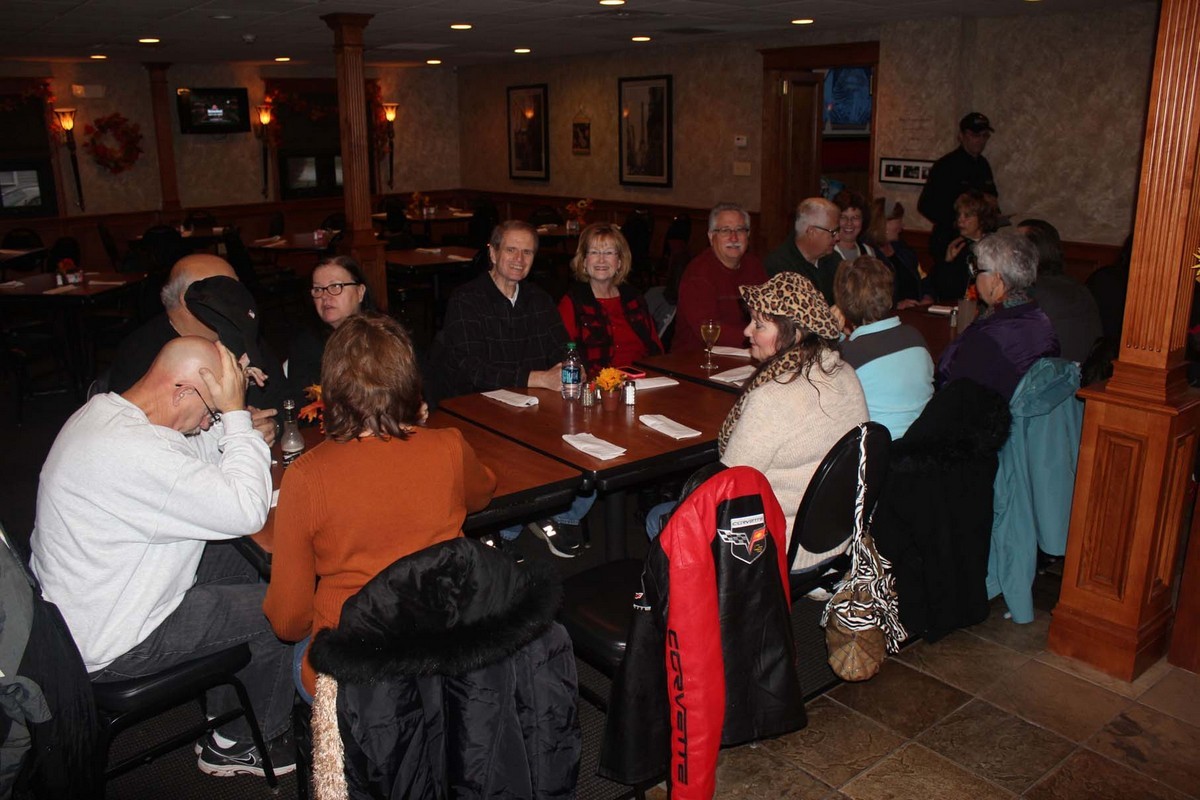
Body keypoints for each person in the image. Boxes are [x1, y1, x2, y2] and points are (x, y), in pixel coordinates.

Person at [29, 337, 295, 777]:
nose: (208, 423)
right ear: (181, 391)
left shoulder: (106, 414)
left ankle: (227, 704)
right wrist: (234, 423)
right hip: (118, 641)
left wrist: (236, 428)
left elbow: (181, 457)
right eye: (210, 411)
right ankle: (244, 742)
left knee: (246, 562)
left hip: (92, 604)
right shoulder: (132, 453)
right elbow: (245, 510)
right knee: (281, 606)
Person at [264, 313, 496, 702]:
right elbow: (483, 493)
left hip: (357, 667)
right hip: (442, 645)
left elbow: (288, 622)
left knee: (291, 648)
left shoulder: (306, 476)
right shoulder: (448, 446)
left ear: (331, 387)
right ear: (408, 381)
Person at [428, 221, 584, 558]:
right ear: (493, 252)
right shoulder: (466, 299)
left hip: (531, 409)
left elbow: (562, 348)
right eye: (511, 250)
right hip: (474, 410)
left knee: (585, 450)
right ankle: (503, 527)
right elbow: (473, 370)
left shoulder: (539, 299)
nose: (519, 259)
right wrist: (537, 378)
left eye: (527, 252)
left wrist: (571, 366)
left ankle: (543, 514)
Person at [108, 253, 289, 445]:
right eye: (227, 291)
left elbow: (288, 399)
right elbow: (139, 438)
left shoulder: (241, 336)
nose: (240, 300)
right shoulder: (141, 354)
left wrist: (274, 425)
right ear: (188, 300)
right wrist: (236, 425)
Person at [937, 229, 1060, 400]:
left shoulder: (988, 336)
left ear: (995, 280)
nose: (974, 278)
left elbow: (952, 387)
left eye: (977, 271)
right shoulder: (1040, 318)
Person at [834, 256, 934, 440]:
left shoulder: (846, 355)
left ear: (842, 305)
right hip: (922, 442)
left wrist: (832, 335)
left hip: (877, 450)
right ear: (888, 297)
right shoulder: (915, 337)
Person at [557, 222, 662, 374]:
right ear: (584, 261)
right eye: (594, 252)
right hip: (597, 383)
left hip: (642, 379)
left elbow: (655, 347)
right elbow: (563, 354)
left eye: (609, 253)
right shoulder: (573, 302)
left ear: (619, 262)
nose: (601, 260)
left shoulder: (634, 298)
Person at [674, 203, 768, 352]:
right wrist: (761, 338)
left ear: (748, 235)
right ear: (711, 237)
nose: (734, 238)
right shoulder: (699, 274)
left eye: (740, 230)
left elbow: (770, 313)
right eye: (725, 231)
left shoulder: (754, 266)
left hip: (750, 351)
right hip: (699, 357)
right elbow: (708, 331)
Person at [918, 111, 1000, 266]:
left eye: (984, 136)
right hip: (950, 240)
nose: (980, 140)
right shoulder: (946, 166)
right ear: (961, 136)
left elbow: (992, 198)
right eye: (975, 135)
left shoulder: (983, 165)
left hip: (978, 240)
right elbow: (926, 205)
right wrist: (959, 221)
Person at [286, 255, 374, 394]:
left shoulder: (384, 336)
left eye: (335, 286)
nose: (325, 296)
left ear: (360, 292)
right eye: (318, 289)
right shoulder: (305, 344)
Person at [1019, 218, 1103, 364]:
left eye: (1016, 246)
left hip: (1055, 374)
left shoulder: (1035, 293)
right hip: (1081, 372)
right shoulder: (1076, 286)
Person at [764, 197, 843, 304]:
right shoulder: (779, 267)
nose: (837, 237)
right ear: (811, 232)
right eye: (833, 232)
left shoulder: (834, 260)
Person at [931, 189, 1001, 302]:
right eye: (959, 215)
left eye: (967, 216)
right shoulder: (955, 244)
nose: (960, 220)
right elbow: (940, 289)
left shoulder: (995, 247)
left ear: (982, 219)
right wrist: (947, 263)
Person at [868, 198, 926, 307]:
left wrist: (928, 295)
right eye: (899, 220)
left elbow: (921, 277)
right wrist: (895, 306)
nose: (902, 226)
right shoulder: (868, 253)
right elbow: (868, 297)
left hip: (915, 310)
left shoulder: (903, 249)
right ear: (884, 223)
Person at [832, 190, 875, 262]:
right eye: (843, 217)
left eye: (855, 217)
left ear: (863, 220)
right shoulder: (825, 251)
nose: (849, 223)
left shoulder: (869, 253)